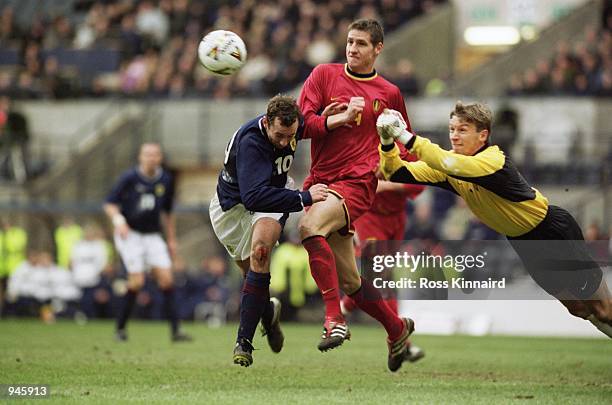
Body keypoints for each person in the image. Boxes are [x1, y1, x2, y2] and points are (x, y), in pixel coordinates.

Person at [376, 101, 612, 338]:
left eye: (462, 130)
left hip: (552, 231)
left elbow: (446, 162)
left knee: (602, 309)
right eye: (451, 130)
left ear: (483, 135)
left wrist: (404, 135)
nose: (454, 136)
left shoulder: (492, 160)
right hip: (525, 243)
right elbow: (394, 171)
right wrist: (387, 141)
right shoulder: (451, 166)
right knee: (577, 309)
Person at [297, 18, 416, 372]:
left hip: (357, 184)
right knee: (351, 281)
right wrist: (334, 119)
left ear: (378, 48)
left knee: (308, 227)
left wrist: (407, 165)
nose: (352, 49)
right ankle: (396, 329)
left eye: (361, 43)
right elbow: (302, 126)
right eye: (350, 42)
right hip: (320, 180)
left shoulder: (389, 93)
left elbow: (406, 144)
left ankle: (334, 319)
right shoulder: (322, 75)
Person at [209, 94, 329, 367]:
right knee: (250, 276)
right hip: (233, 208)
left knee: (261, 252)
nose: (286, 142)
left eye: (291, 136)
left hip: (273, 197)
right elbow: (253, 198)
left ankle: (244, 343)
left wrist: (336, 117)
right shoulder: (252, 141)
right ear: (266, 123)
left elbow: (314, 126)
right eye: (279, 136)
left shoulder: (291, 127)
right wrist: (304, 197)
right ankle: (268, 315)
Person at [104, 142, 191, 342]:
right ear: (140, 157)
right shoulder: (129, 178)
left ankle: (176, 331)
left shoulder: (166, 180)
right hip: (131, 235)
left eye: (155, 154)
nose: (151, 158)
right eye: (147, 154)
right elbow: (110, 204)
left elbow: (168, 213)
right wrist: (120, 222)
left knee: (167, 279)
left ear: (160, 158)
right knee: (137, 281)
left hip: (152, 235)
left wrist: (171, 239)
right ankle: (120, 329)